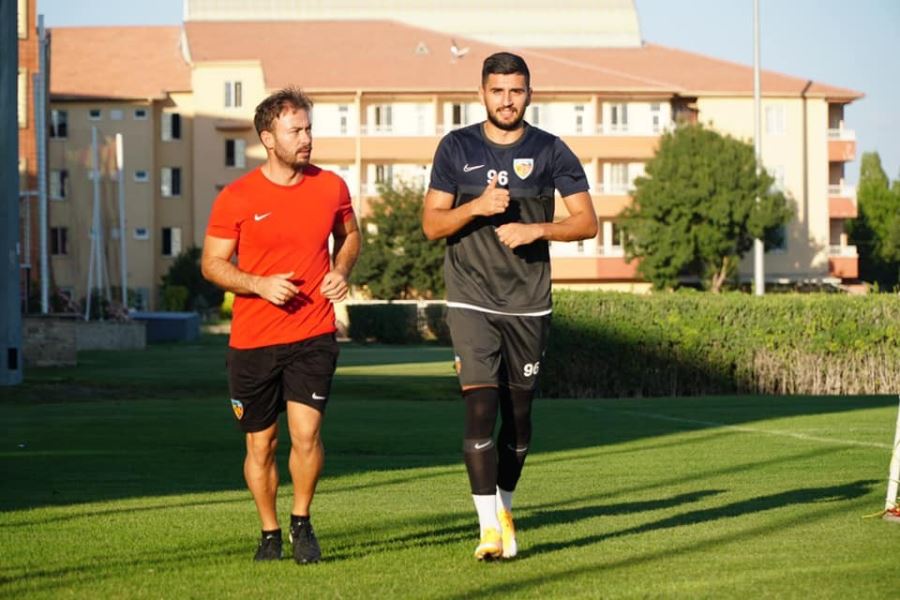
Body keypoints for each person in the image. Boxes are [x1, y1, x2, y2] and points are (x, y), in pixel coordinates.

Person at [423, 52, 598, 560]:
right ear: (482, 93)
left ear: (529, 94)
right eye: (498, 91)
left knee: (518, 423)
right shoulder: (456, 147)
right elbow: (432, 225)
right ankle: (488, 529)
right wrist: (477, 206)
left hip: (529, 303)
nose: (507, 100)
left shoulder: (551, 150)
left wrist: (535, 229)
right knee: (480, 409)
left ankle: (504, 508)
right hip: (471, 298)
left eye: (516, 91)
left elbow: (587, 222)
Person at [201, 87, 360, 564]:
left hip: (313, 333)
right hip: (253, 340)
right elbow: (212, 264)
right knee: (262, 443)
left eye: (308, 128)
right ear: (268, 138)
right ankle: (269, 532)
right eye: (296, 131)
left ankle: (301, 522)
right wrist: (257, 284)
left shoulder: (331, 187)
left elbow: (350, 235)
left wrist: (341, 270)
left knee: (307, 435)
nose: (306, 138)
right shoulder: (236, 197)